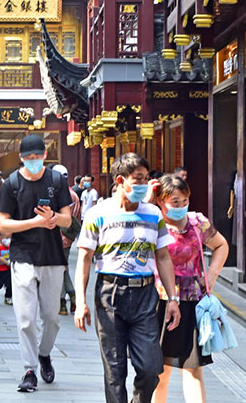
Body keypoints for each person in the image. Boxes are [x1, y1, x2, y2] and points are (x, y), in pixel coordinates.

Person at [74, 153, 181, 403]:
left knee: (151, 367)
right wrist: (81, 302)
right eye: (138, 179)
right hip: (110, 294)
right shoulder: (97, 214)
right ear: (121, 180)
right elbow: (84, 260)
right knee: (115, 369)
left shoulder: (154, 214)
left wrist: (172, 298)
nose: (144, 185)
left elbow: (163, 257)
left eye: (146, 179)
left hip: (145, 295)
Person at [0, 134, 73, 392]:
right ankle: (29, 369)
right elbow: (3, 225)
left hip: (52, 256)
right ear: (21, 158)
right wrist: (35, 223)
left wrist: (53, 218)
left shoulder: (55, 180)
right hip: (23, 256)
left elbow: (67, 220)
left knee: (51, 318)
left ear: (44, 155)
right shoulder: (12, 183)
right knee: (26, 318)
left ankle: (44, 353)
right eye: (29, 158)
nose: (33, 162)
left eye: (38, 157)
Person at [152, 175, 229, 403]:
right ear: (161, 200)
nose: (181, 206)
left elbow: (221, 245)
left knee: (193, 369)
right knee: (160, 371)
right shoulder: (154, 223)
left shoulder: (198, 222)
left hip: (192, 303)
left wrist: (211, 276)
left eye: (185, 200)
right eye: (175, 202)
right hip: (160, 301)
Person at [52, 165, 81, 317]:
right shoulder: (74, 195)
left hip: (55, 237)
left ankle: (63, 301)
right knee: (63, 268)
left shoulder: (57, 195)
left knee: (60, 269)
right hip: (68, 238)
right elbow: (78, 218)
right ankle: (70, 295)